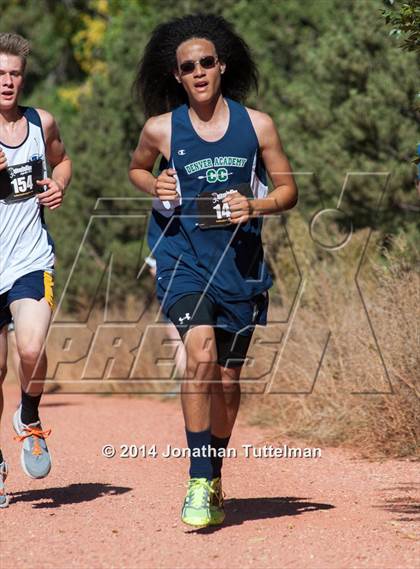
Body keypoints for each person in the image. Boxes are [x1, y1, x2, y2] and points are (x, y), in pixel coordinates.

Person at [129, 14, 297, 527]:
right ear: (177, 76)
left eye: (206, 62)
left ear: (222, 65)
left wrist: (255, 206)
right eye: (188, 67)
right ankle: (199, 481)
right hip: (182, 258)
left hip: (239, 266)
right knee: (199, 357)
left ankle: (215, 469)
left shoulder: (258, 124)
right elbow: (137, 168)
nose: (198, 71)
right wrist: (152, 185)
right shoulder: (161, 128)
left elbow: (288, 192)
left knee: (226, 379)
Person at [0, 33, 72, 508]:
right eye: (0, 75)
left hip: (30, 259)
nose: (7, 82)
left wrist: (58, 185)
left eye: (14, 74)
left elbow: (63, 161)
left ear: (24, 78)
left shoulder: (40, 121)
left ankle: (29, 417)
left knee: (31, 347)